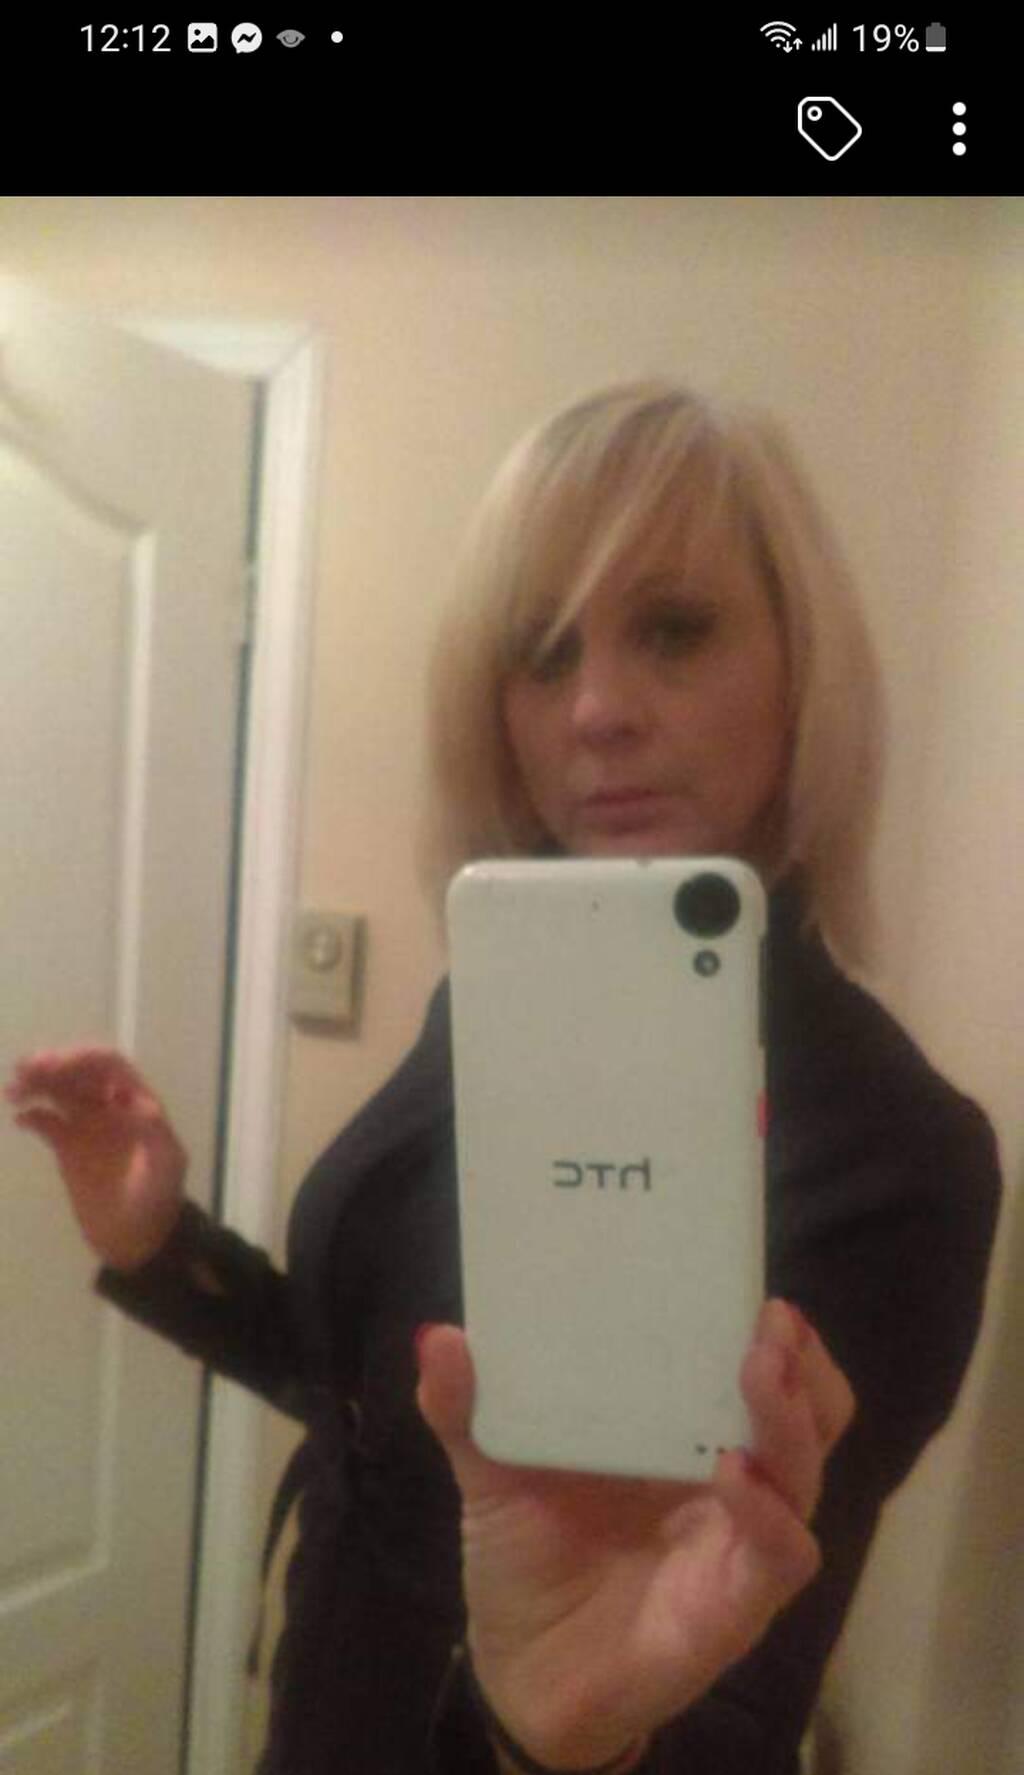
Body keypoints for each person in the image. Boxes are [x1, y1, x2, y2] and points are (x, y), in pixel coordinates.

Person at [7, 382, 1001, 1774]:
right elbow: (395, 1400)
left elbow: (723, 1689)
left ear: (804, 672)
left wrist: (548, 1743)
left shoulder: (898, 1155)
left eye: (675, 630)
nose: (596, 709)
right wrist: (164, 1247)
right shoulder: (498, 1005)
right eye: (542, 653)